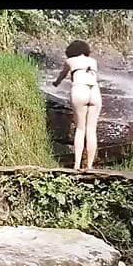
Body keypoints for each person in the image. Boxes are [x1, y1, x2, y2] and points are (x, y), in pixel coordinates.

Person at [52, 40, 102, 171]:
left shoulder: (70, 61)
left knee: (80, 129)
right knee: (91, 131)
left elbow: (62, 75)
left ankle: (77, 165)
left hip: (80, 90)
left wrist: (56, 83)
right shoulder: (93, 61)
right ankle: (90, 166)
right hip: (94, 91)